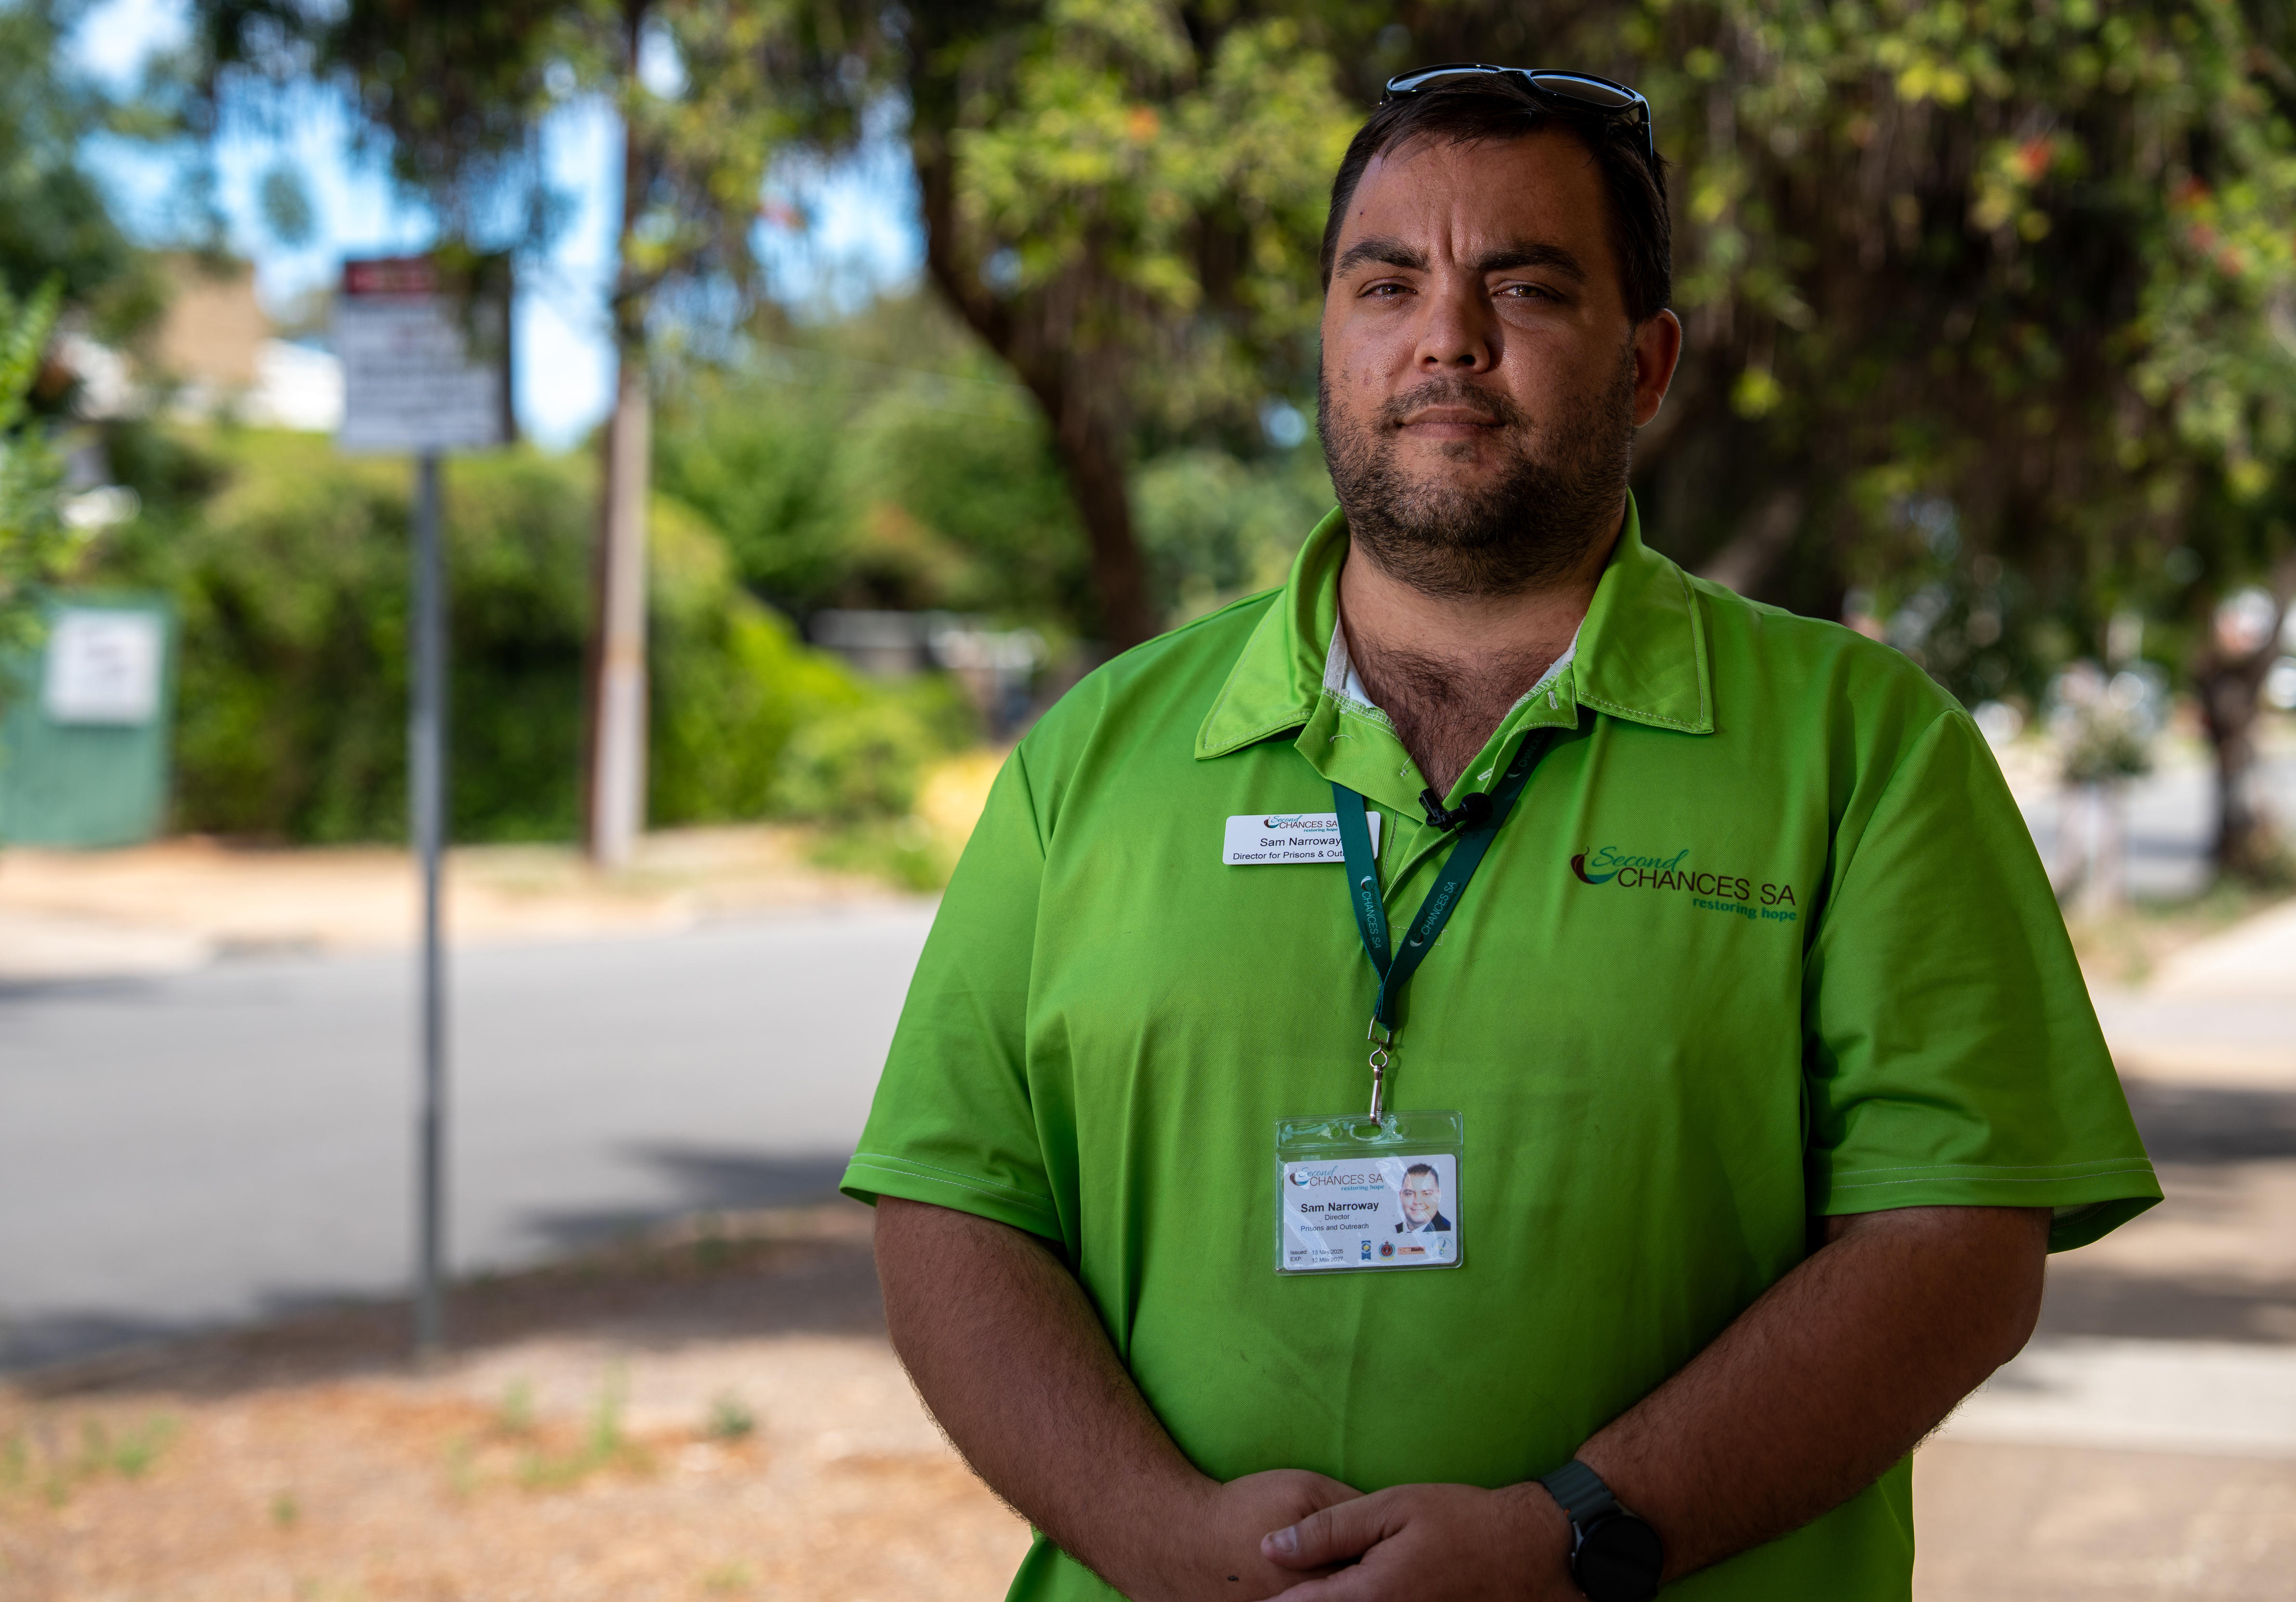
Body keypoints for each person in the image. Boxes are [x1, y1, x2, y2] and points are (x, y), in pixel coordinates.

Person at [842, 64, 2159, 1602]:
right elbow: (952, 1212)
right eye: (1384, 282)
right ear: (1326, 344)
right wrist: (1156, 1543)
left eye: (1523, 286)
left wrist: (1575, 1534)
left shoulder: (1866, 750)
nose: (1444, 336)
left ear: (1648, 362)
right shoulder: (1090, 756)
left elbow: (1951, 1245)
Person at [1394, 1164, 1452, 1234]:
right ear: (1401, 1196)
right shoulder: (1390, 1231)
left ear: (1439, 1195)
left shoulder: (1451, 1230)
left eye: (1426, 1194)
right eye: (1410, 1194)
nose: (1417, 1201)